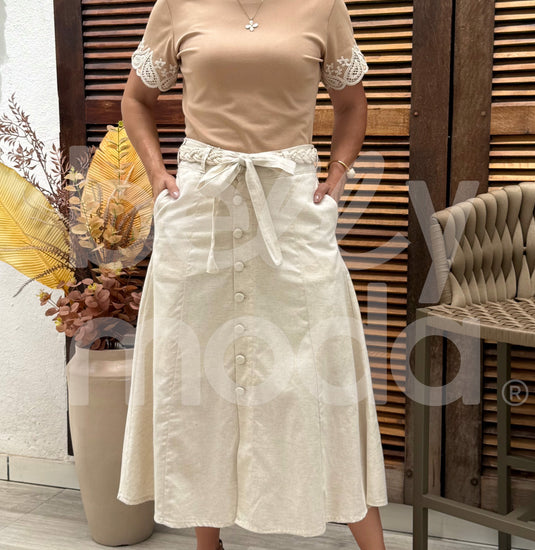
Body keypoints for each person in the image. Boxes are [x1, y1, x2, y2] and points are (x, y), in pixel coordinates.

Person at [116, 1, 389, 549]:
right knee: (197, 371)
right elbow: (136, 99)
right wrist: (157, 174)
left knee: (316, 369)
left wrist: (336, 175)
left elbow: (352, 104)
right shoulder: (177, 5)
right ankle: (207, 543)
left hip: (291, 208)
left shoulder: (323, 6)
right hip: (201, 211)